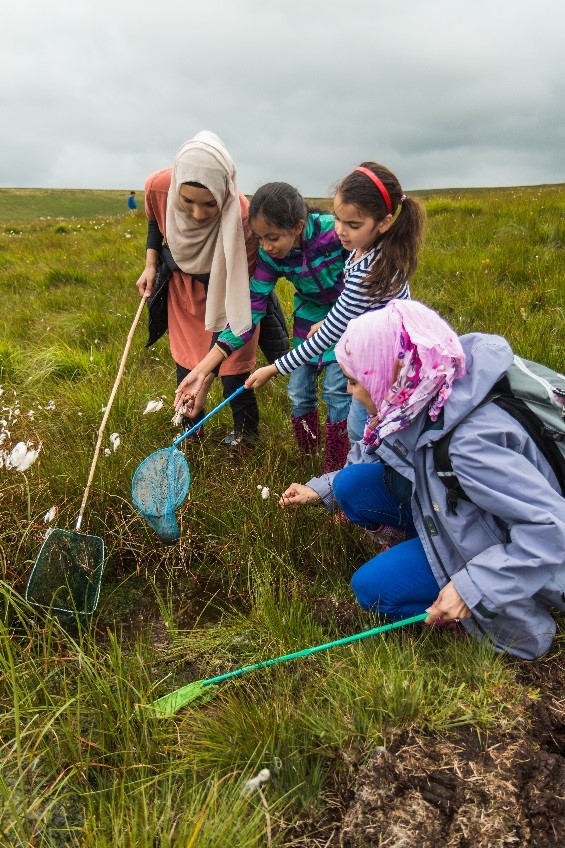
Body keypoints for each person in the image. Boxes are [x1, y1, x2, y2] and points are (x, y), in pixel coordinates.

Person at [280, 300, 565, 660]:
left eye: (355, 381)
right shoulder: (424, 385)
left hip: (513, 547)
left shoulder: (468, 447)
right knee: (351, 485)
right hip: (459, 510)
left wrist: (471, 587)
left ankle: (481, 616)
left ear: (389, 373)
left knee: (374, 590)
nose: (350, 391)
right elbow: (378, 452)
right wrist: (322, 487)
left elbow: (550, 527)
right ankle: (430, 550)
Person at [175, 181, 351, 472]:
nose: (266, 247)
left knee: (336, 389)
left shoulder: (335, 233)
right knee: (298, 390)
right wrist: (204, 369)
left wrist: (347, 317)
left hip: (349, 312)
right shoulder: (271, 255)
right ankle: (308, 456)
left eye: (272, 237)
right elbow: (251, 309)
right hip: (308, 320)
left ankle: (336, 463)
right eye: (259, 238)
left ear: (297, 226)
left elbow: (366, 271)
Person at [244, 162, 425, 444]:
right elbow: (347, 317)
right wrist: (332, 322)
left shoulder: (368, 271)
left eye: (353, 225)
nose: (340, 231)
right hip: (377, 352)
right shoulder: (364, 252)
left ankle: (349, 472)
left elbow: (331, 333)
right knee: (366, 425)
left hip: (386, 363)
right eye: (338, 219)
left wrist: (274, 367)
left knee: (361, 428)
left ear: (385, 222)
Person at [136, 131, 260, 451]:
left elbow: (243, 289)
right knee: (187, 361)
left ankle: (246, 437)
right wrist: (151, 265)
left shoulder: (242, 217)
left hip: (230, 294)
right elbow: (154, 220)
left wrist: (209, 375)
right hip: (184, 292)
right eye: (187, 201)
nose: (197, 214)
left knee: (233, 369)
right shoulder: (159, 187)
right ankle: (191, 433)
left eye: (209, 204)